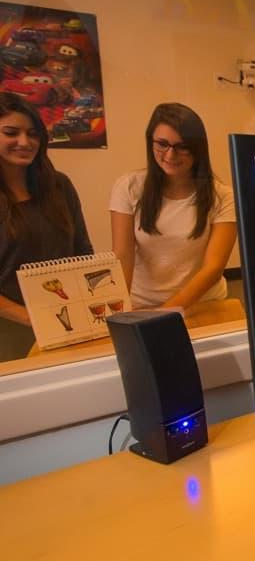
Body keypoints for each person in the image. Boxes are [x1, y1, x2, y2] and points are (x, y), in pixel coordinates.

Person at [109, 102, 236, 310]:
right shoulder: (129, 186)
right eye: (162, 144)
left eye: (182, 147)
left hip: (202, 303)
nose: (169, 155)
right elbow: (123, 256)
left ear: (197, 149)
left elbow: (213, 268)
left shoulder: (223, 196)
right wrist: (120, 312)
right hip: (142, 305)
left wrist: (166, 313)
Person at [0, 92, 93, 361]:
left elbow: (82, 251)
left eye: (33, 134)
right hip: (11, 333)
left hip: (68, 322)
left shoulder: (59, 185)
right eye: (11, 132)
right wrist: (34, 319)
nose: (24, 142)